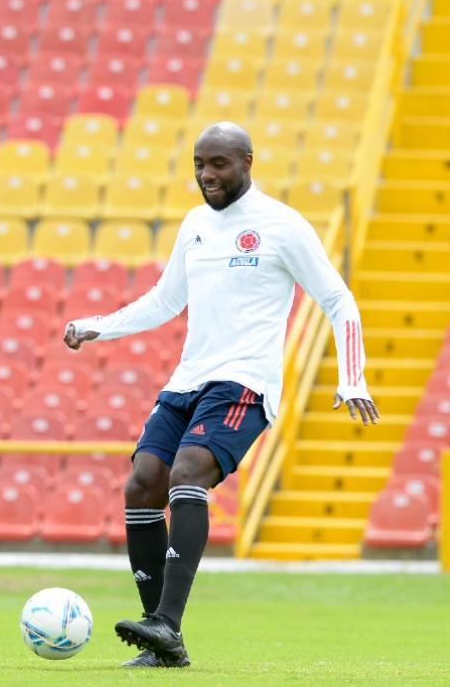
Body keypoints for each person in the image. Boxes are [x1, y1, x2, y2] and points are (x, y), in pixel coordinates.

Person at [64, 121, 380, 668]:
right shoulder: (195, 224)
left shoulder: (282, 225)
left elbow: (338, 299)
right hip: (188, 379)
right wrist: (99, 326)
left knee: (187, 471)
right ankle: (161, 640)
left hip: (244, 381)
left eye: (218, 164)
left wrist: (352, 377)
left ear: (247, 162)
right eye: (199, 164)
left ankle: (167, 623)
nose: (206, 175)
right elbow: (165, 301)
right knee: (143, 483)